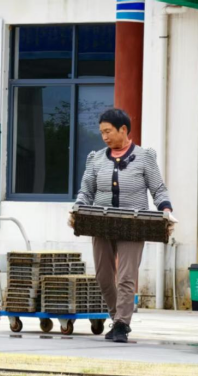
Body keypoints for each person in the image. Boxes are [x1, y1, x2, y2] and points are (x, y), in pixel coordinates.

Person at [71, 108, 176, 344]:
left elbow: (158, 189)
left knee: (127, 276)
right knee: (103, 276)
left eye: (108, 131)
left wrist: (166, 210)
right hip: (100, 223)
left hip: (133, 224)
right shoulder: (96, 158)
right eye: (102, 132)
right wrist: (78, 208)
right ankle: (116, 317)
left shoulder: (145, 157)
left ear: (123, 130)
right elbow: (86, 191)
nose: (104, 137)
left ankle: (121, 324)